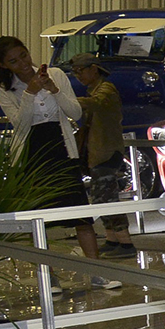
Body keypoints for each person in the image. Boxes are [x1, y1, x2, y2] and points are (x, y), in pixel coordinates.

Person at [0, 36, 119, 289]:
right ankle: (48, 278)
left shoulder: (56, 74)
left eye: (24, 55)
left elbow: (76, 113)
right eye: (14, 61)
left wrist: (54, 90)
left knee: (81, 216)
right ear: (4, 65)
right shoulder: (3, 90)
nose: (23, 63)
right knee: (39, 222)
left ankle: (97, 272)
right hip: (31, 155)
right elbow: (20, 124)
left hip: (62, 149)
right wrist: (30, 92)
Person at [69, 53, 134, 257]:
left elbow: (96, 103)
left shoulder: (106, 90)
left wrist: (68, 102)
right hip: (99, 154)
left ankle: (126, 244)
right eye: (75, 72)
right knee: (101, 199)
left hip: (107, 153)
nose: (78, 76)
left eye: (80, 71)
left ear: (94, 69)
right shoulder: (95, 90)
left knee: (107, 199)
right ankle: (112, 239)